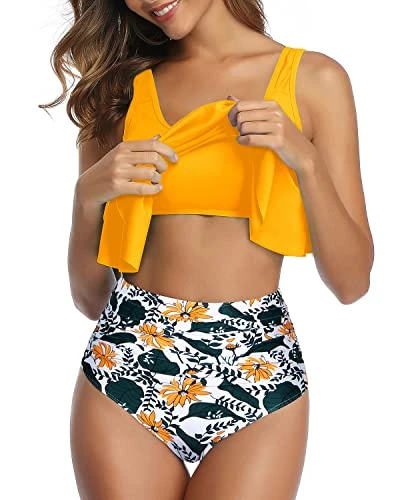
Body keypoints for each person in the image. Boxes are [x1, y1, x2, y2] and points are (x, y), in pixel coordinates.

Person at [41, 0, 374, 498]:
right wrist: (86, 198)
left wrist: (304, 160)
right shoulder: (118, 91)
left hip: (258, 364)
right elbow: (90, 300)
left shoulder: (315, 80)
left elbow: (352, 284)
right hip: (128, 359)